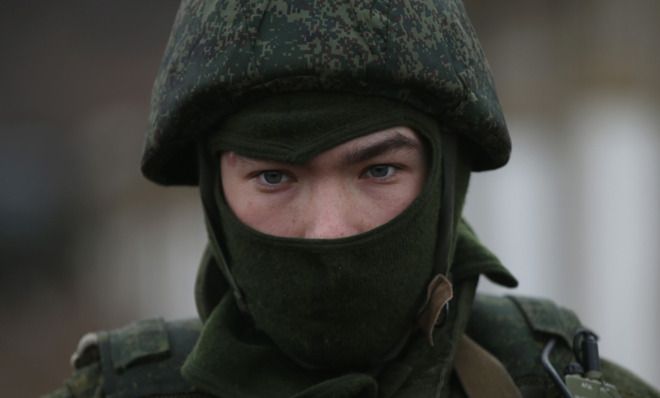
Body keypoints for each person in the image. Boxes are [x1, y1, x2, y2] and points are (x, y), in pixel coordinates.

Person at [45, 0, 659, 397]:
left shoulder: (553, 381)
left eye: (380, 170)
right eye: (274, 178)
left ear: (446, 182)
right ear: (214, 193)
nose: (329, 230)